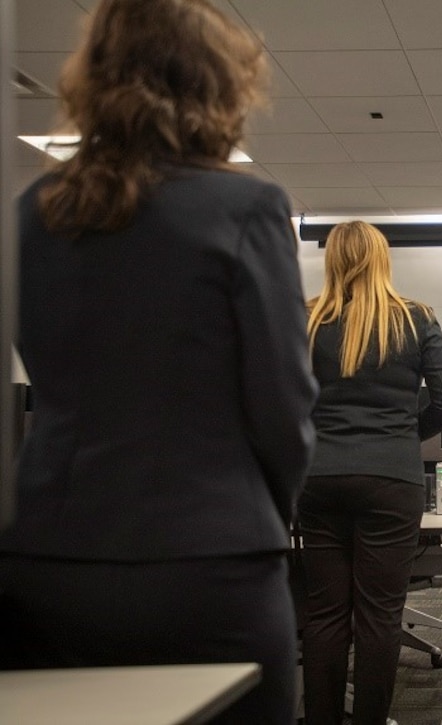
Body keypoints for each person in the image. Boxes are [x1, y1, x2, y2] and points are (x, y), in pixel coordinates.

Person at [0, 1, 318, 723]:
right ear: (215, 84)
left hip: (48, 560)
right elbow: (284, 406)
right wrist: (263, 515)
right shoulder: (245, 207)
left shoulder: (30, 212)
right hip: (210, 563)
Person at [299, 220, 442, 725]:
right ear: (381, 259)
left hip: (319, 480)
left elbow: (276, 401)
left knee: (324, 617)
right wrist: (398, 436)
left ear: (331, 262)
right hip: (391, 482)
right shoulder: (415, 319)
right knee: (379, 617)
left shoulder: (303, 320)